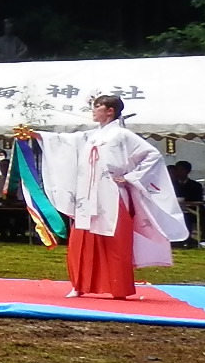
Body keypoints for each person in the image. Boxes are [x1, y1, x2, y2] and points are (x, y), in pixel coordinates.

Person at [23, 95, 189, 300]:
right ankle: (79, 284)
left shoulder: (122, 135)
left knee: (115, 238)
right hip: (87, 192)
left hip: (111, 191)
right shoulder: (91, 135)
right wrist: (37, 134)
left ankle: (118, 287)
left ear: (110, 110)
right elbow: (66, 141)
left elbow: (152, 155)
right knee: (82, 240)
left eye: (97, 107)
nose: (93, 111)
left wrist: (129, 177)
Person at [168, 160, 205, 247]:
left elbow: (199, 199)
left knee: (185, 217)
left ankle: (185, 239)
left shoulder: (195, 185)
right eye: (177, 170)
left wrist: (186, 202)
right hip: (173, 209)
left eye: (180, 170)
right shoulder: (171, 184)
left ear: (187, 171)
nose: (178, 172)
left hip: (190, 210)